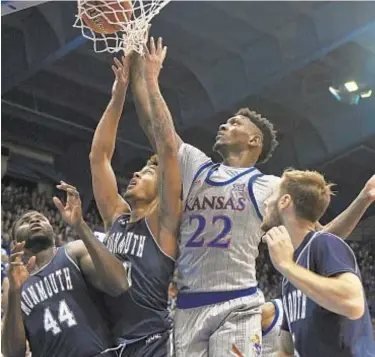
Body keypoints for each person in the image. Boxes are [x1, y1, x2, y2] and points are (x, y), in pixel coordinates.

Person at [131, 35, 375, 357]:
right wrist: (144, 73)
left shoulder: (270, 187)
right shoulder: (196, 165)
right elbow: (156, 128)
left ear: (254, 140)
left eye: (235, 123)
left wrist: (363, 199)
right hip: (188, 303)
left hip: (239, 304)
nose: (224, 124)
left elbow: (317, 236)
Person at [89, 46, 181, 357]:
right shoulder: (116, 216)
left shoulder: (164, 223)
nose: (135, 175)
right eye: (138, 171)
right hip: (111, 344)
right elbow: (99, 158)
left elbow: (168, 152)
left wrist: (150, 80)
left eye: (146, 172)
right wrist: (118, 95)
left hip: (153, 342)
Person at [1, 184, 129, 357]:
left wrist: (80, 225)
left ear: (53, 232)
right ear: (15, 242)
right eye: (25, 222)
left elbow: (119, 284)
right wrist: (15, 293)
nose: (34, 220)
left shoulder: (73, 251)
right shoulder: (12, 283)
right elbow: (12, 353)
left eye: (41, 218)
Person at [262, 169, 375, 357]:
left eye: (271, 196)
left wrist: (287, 266)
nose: (266, 202)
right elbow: (287, 351)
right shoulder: (290, 275)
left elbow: (353, 302)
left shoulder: (323, 244)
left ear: (285, 201)